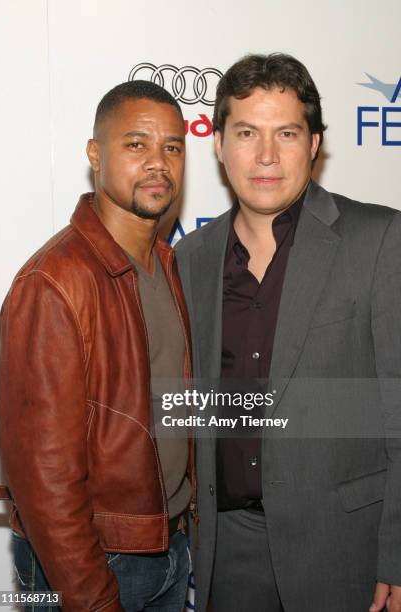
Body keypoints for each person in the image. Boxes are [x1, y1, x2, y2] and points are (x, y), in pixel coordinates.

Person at [175, 53, 401, 611]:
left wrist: (396, 552)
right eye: (247, 132)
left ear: (315, 144)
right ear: (219, 143)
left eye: (287, 133)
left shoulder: (378, 239)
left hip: (347, 547)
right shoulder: (190, 258)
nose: (266, 156)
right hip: (226, 553)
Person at [0, 80, 196, 611]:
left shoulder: (167, 264)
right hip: (95, 563)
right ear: (94, 154)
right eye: (137, 144)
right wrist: (89, 594)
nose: (158, 162)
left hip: (171, 547)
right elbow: (43, 476)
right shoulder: (55, 281)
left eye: (172, 146)